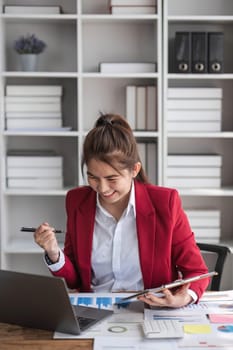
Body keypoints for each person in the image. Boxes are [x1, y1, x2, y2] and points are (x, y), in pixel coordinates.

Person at [34, 113, 209, 308]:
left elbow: (197, 271)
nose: (102, 188)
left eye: (111, 179)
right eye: (93, 177)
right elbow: (75, 281)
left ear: (134, 170)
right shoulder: (77, 202)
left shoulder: (165, 203)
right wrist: (53, 253)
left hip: (150, 309)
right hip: (95, 309)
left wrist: (182, 298)